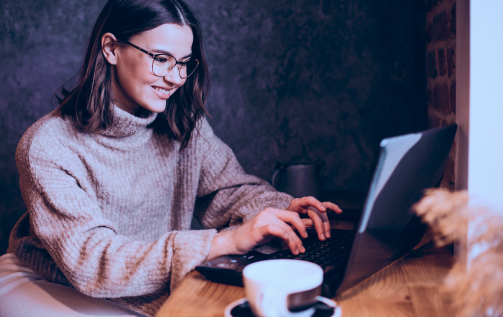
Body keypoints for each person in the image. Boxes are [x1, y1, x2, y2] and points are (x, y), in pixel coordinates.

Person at [0, 0, 341, 316]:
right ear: (110, 48)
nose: (176, 78)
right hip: (54, 281)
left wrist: (280, 208)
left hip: (145, 277)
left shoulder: (182, 124)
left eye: (184, 63)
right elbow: (93, 261)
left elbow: (229, 191)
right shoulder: (46, 146)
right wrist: (224, 241)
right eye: (161, 59)